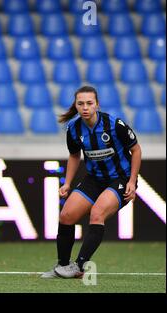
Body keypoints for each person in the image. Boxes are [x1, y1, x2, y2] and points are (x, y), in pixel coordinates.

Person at [41, 85, 142, 278]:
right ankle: (62, 266)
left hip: (120, 179)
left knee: (97, 214)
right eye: (81, 104)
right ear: (76, 106)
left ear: (97, 105)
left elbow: (136, 150)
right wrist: (67, 183)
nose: (85, 107)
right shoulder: (73, 128)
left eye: (89, 103)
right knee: (66, 216)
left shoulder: (114, 125)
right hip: (95, 179)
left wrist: (132, 181)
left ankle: (79, 266)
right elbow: (73, 155)